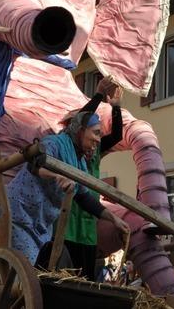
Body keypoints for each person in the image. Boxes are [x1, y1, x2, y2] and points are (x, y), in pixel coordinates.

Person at [7, 111, 130, 267]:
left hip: (42, 224)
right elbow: (34, 165)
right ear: (80, 130)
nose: (98, 140)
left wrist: (114, 219)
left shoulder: (80, 164)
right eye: (96, 133)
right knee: (29, 274)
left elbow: (84, 198)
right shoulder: (54, 143)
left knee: (41, 272)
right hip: (21, 214)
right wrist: (57, 176)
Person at [63, 77, 123, 280]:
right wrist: (98, 95)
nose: (97, 140)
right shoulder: (67, 146)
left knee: (86, 278)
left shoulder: (95, 151)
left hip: (88, 223)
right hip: (67, 221)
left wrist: (116, 107)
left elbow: (115, 136)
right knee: (63, 273)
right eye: (93, 133)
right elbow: (78, 120)